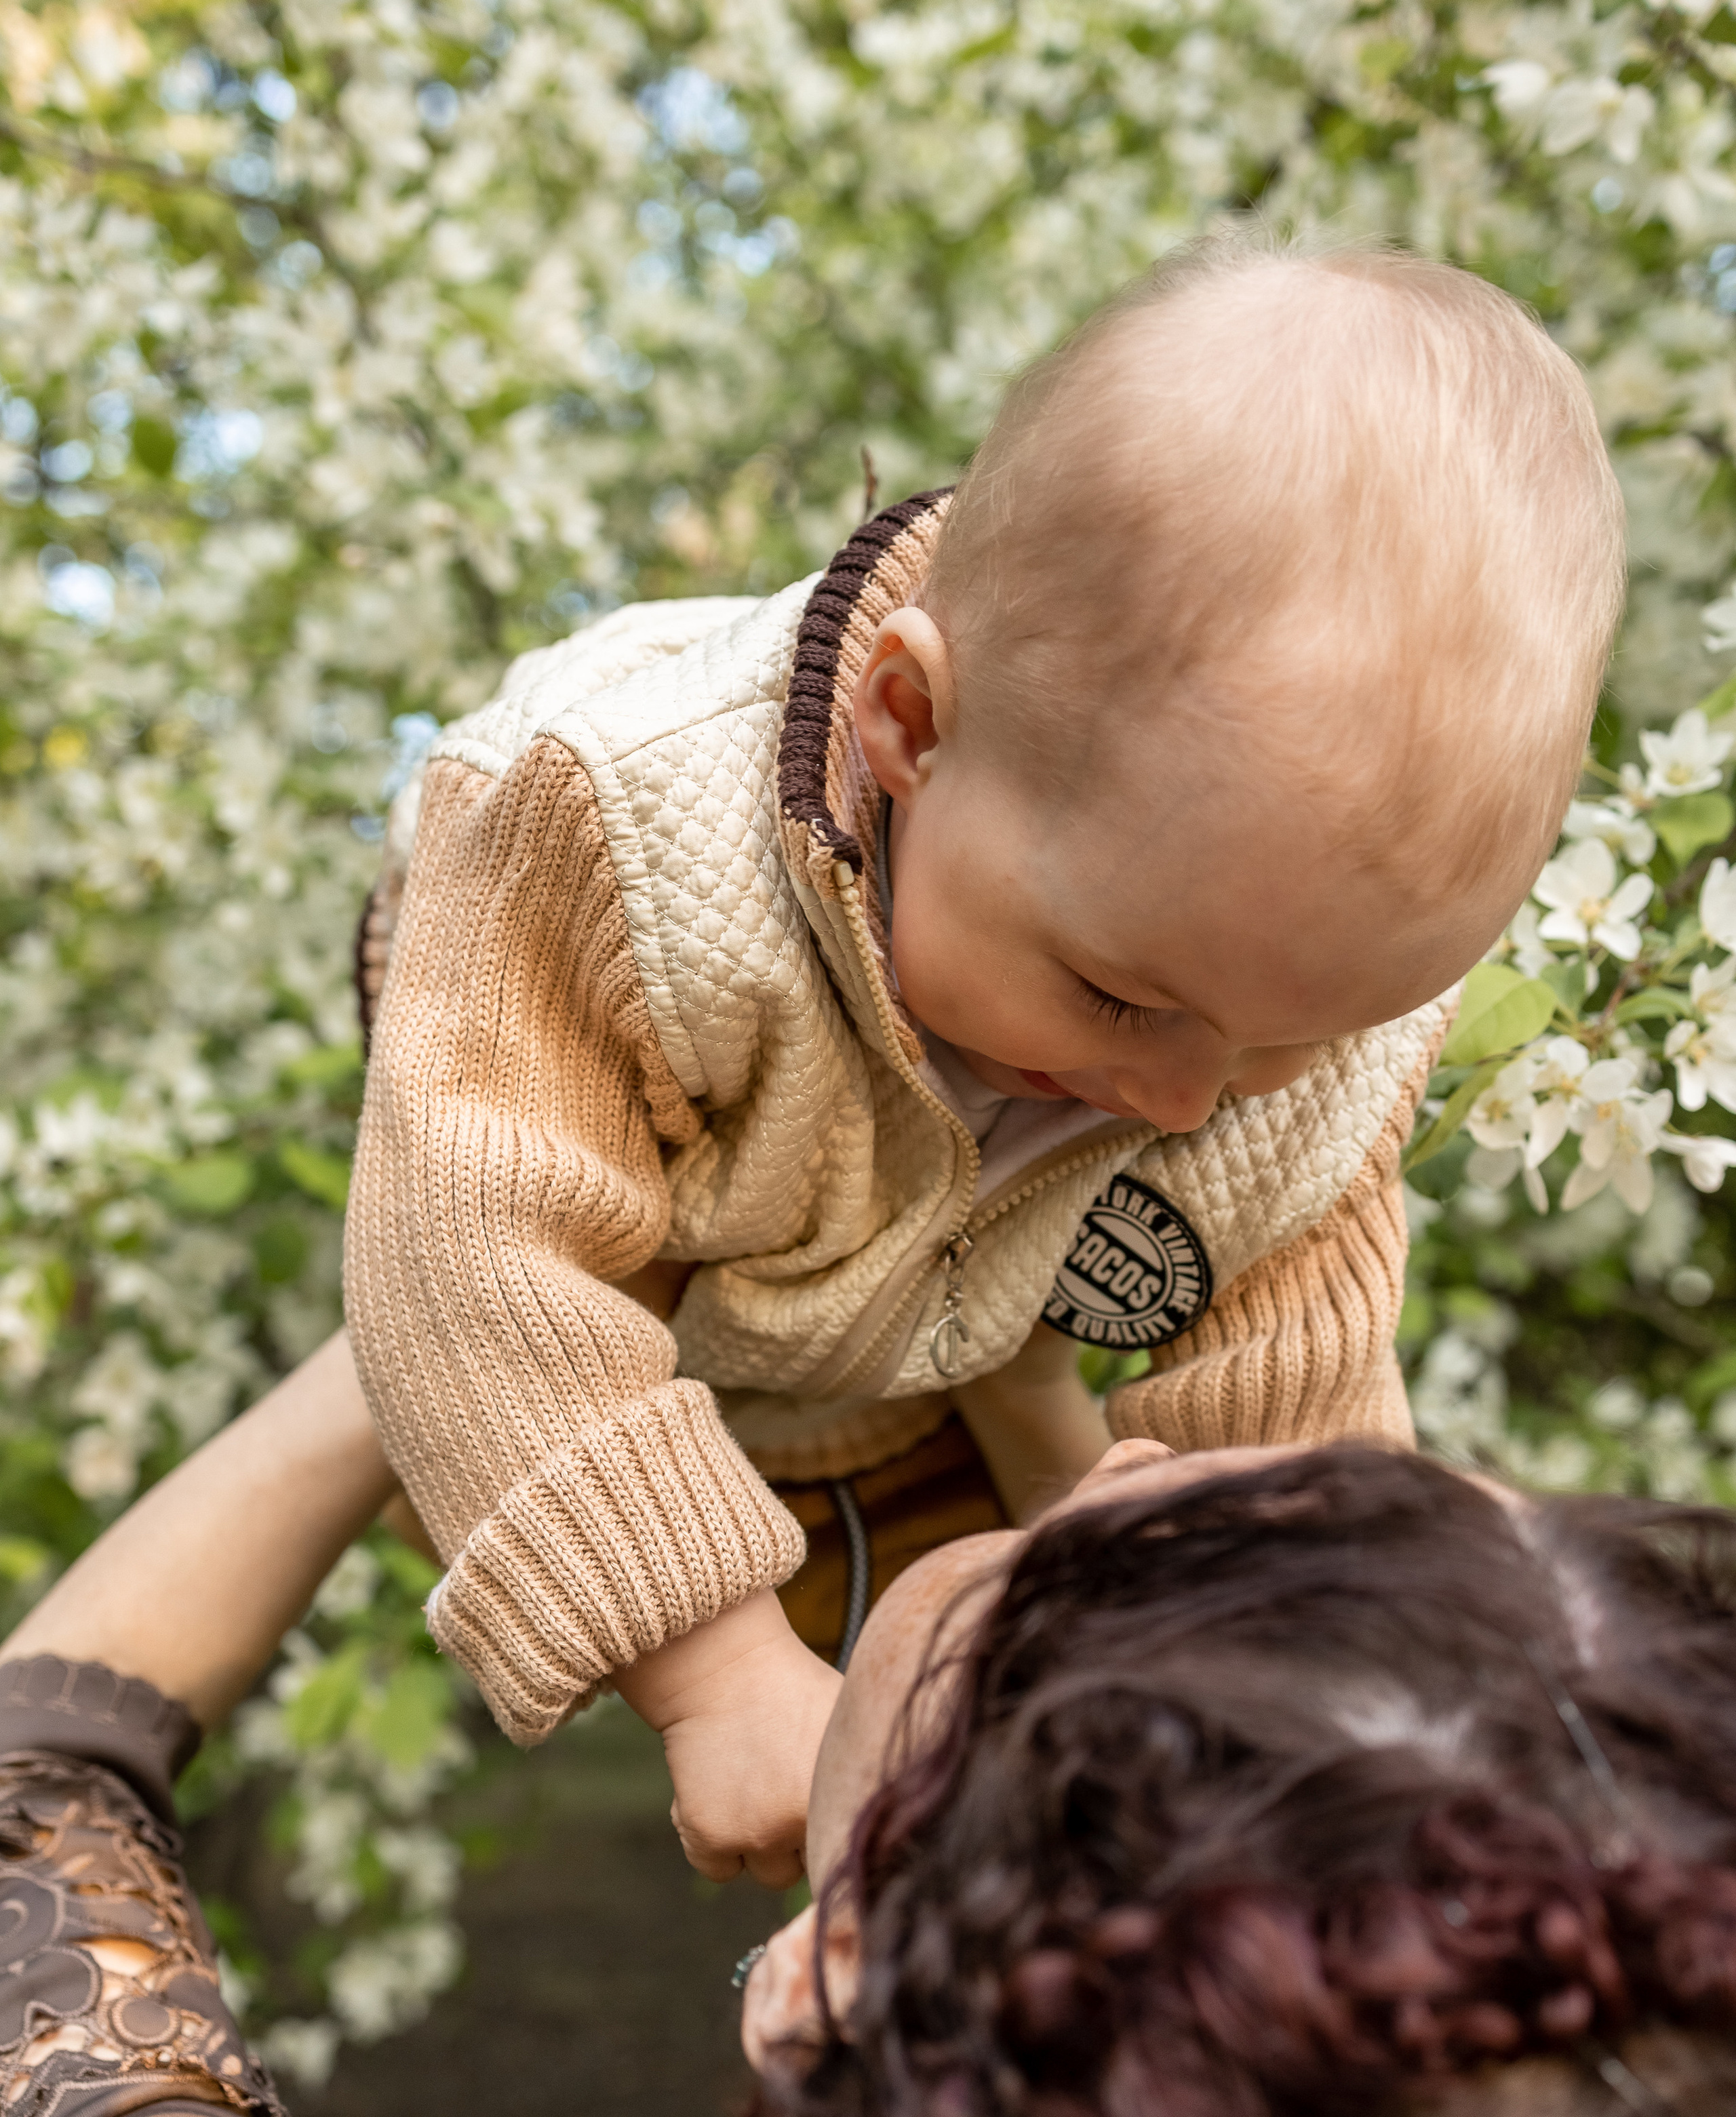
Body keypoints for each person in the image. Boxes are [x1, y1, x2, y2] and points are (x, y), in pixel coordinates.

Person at [5, 1345, 1736, 2117]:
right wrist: (997, 1321)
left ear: (812, 1987)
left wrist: (451, 1315)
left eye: (1055, 1567)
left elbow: (37, 1773)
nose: (1120, 1464)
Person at [343, 233, 1626, 1889]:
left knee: (1001, 1748)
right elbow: (472, 1258)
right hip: (625, 1295)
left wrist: (1333, 1655)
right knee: (543, 1346)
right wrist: (710, 1668)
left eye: (1290, 1043)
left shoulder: (1275, 1005)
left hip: (925, 1360)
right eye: (1117, 997)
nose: (1185, 1098)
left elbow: (1285, 1405)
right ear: (908, 729)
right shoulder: (613, 838)